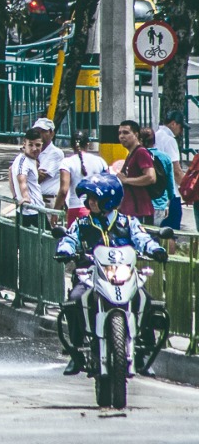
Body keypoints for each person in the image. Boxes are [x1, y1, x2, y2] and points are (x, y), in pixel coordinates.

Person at [55, 172, 167, 374]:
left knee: (146, 300)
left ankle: (142, 352)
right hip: (89, 275)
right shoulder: (82, 224)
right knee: (74, 300)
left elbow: (143, 238)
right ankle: (76, 352)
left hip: (125, 274)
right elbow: (69, 240)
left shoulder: (128, 222)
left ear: (110, 199)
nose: (91, 202)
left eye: (95, 198)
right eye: (89, 198)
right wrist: (64, 250)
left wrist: (156, 249)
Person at [57, 130, 108, 222]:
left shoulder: (67, 162)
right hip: (98, 208)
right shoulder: (100, 161)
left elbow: (64, 190)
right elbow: (107, 185)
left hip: (76, 208)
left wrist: (55, 211)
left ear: (72, 145)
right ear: (87, 144)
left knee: (74, 235)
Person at [116, 118, 159, 223]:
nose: (122, 136)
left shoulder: (141, 152)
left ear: (136, 134)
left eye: (126, 133)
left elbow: (150, 177)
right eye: (120, 133)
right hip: (130, 211)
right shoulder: (131, 154)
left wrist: (126, 180)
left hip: (140, 211)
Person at [143, 126, 180, 231]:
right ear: (154, 141)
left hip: (142, 205)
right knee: (159, 234)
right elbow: (170, 184)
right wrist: (169, 201)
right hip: (160, 205)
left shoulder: (137, 156)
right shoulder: (165, 157)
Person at [9, 129, 47, 227]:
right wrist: (25, 196)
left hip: (37, 209)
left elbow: (10, 171)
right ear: (24, 144)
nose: (34, 148)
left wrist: (14, 195)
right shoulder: (23, 161)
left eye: (38, 145)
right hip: (30, 212)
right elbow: (22, 179)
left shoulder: (30, 160)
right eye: (30, 145)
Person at [33, 117, 65, 209]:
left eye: (43, 131)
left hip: (47, 199)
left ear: (51, 133)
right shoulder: (32, 152)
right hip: (34, 198)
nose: (39, 134)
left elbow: (39, 177)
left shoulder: (55, 153)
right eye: (37, 131)